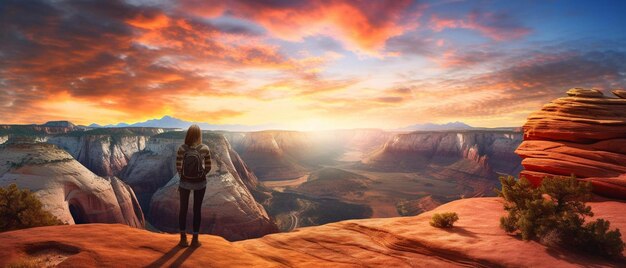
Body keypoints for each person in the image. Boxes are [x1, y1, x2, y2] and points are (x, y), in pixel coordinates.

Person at [176, 124, 211, 247]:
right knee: (197, 210)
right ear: (199, 135)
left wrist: (184, 177)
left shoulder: (182, 148)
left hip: (184, 183)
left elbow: (178, 166)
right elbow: (208, 167)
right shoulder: (205, 148)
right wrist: (201, 175)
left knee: (183, 209)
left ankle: (183, 239)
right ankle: (195, 240)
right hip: (200, 183)